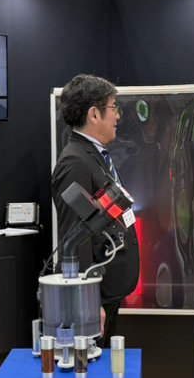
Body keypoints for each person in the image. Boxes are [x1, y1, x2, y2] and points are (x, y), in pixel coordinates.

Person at [51, 75, 139, 345]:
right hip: (94, 295)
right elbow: (74, 238)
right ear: (94, 114)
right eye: (113, 107)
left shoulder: (94, 155)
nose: (118, 116)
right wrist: (88, 304)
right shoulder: (75, 163)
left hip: (107, 287)